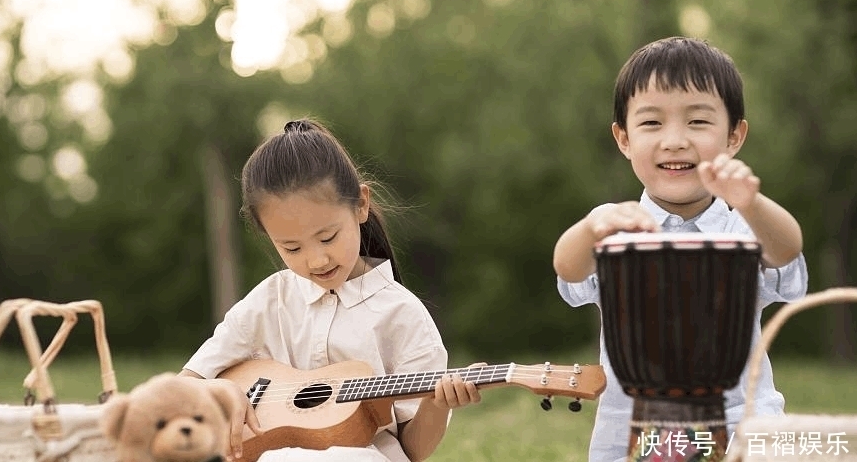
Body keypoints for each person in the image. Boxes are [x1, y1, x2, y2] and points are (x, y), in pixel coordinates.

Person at [552, 36, 808, 461]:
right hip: (633, 433)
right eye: (652, 123)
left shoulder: (743, 225)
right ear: (624, 139)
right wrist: (589, 227)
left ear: (734, 137)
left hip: (743, 425)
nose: (674, 140)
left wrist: (752, 202)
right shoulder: (614, 226)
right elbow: (568, 270)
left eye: (698, 122)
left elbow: (787, 250)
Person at [179, 118, 482, 462]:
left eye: (327, 237)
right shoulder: (267, 301)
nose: (316, 259)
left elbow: (411, 451)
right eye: (292, 248)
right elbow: (179, 387)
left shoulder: (402, 316)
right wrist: (217, 391)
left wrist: (435, 405)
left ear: (361, 205)